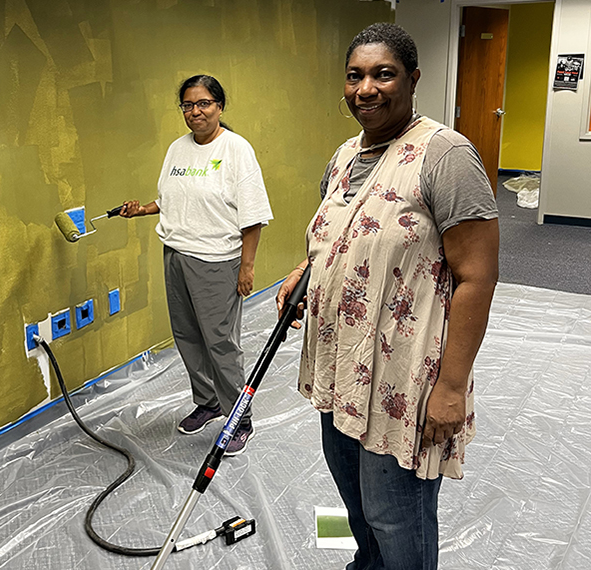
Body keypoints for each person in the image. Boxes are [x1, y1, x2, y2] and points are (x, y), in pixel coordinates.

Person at [276, 23, 499, 569]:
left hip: (404, 379)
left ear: (413, 79)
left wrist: (450, 389)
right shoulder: (345, 155)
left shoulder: (444, 154)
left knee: (396, 516)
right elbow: (342, 231)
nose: (366, 88)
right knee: (357, 506)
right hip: (341, 369)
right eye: (355, 76)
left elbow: (477, 276)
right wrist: (306, 269)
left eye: (383, 74)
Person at [120, 75, 273, 456]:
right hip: (175, 254)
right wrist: (143, 210)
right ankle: (207, 402)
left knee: (220, 343)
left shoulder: (237, 150)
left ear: (219, 106)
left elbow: (252, 216)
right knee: (187, 334)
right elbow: (170, 199)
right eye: (188, 105)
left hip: (217, 261)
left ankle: (240, 417)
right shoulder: (177, 149)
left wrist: (247, 267)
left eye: (203, 103)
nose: (195, 112)